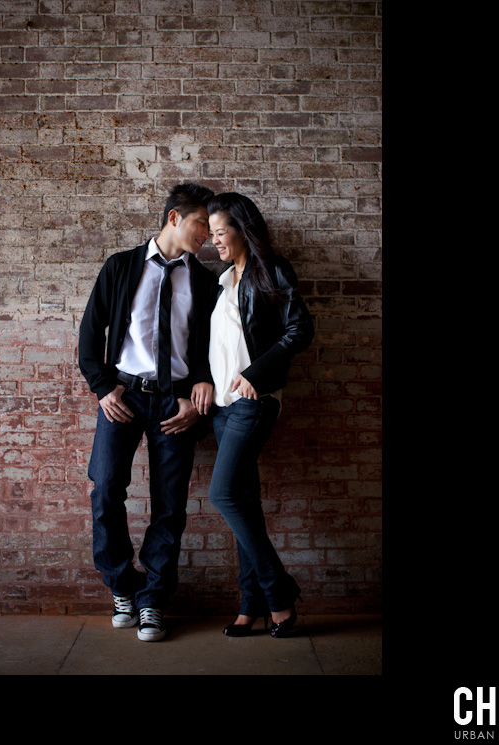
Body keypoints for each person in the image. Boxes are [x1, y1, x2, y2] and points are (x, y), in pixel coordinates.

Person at [78, 183, 219, 642]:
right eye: (202, 223)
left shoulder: (203, 281)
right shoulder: (121, 266)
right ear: (174, 218)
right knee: (105, 488)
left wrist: (198, 386)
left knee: (170, 504)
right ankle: (124, 587)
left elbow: (209, 350)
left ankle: (154, 599)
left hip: (174, 403)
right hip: (123, 396)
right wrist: (103, 388)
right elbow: (88, 336)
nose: (209, 235)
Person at [195, 191, 315, 638]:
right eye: (210, 234)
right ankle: (251, 605)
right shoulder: (226, 280)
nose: (214, 242)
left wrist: (256, 374)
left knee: (224, 495)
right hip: (224, 409)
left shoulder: (272, 270)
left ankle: (279, 594)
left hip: (254, 402)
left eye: (220, 232)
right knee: (244, 502)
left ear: (243, 230)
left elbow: (300, 328)